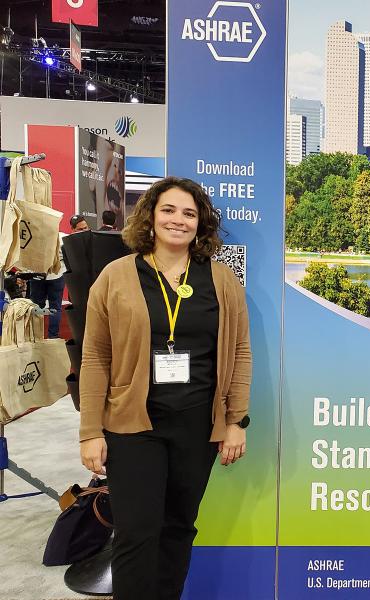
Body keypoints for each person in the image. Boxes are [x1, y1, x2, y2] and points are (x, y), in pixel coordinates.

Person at [78, 177, 252, 600]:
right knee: (136, 533)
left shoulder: (222, 279)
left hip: (196, 426)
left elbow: (240, 351)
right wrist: (90, 431)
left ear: (201, 224)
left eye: (189, 213)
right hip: (133, 426)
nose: (178, 220)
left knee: (178, 528)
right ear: (151, 217)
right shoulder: (116, 276)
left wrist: (236, 421)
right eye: (169, 210)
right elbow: (95, 357)